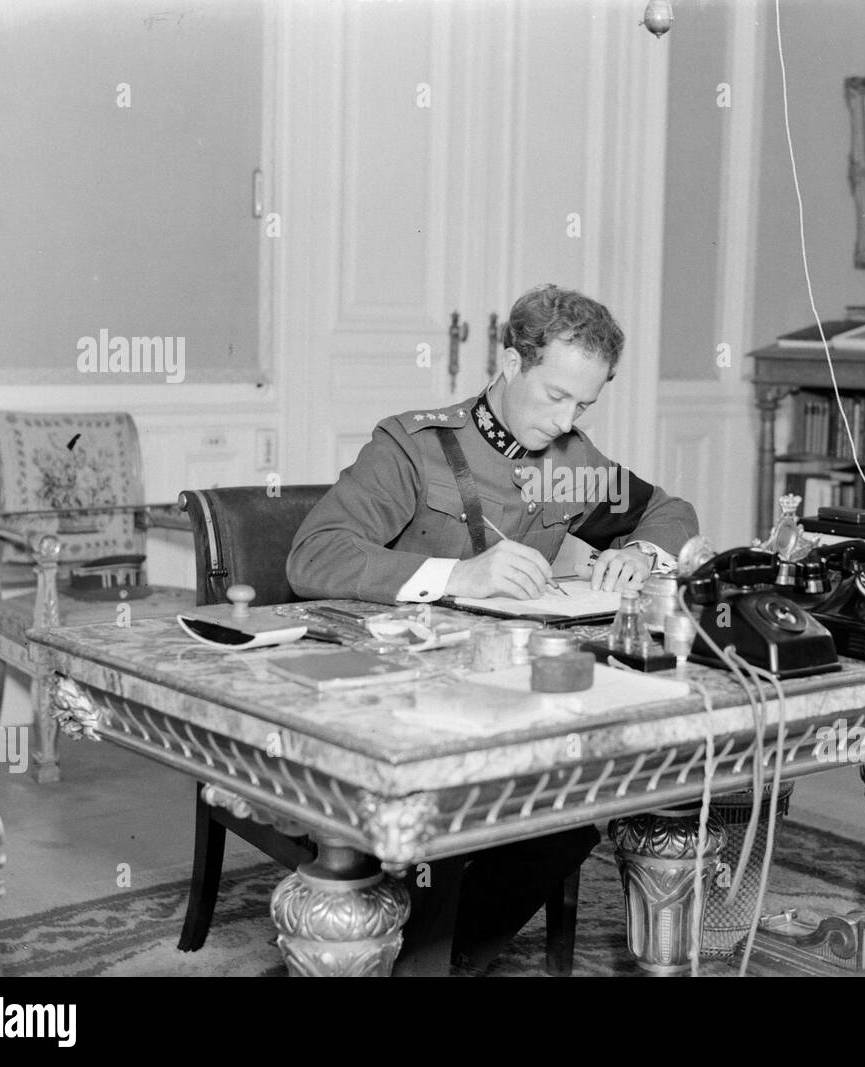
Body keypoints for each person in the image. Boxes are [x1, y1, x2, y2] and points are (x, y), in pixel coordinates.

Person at [288, 284, 699, 973]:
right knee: (453, 815)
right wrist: (458, 576)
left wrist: (638, 553)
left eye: (585, 405)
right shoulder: (414, 447)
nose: (568, 420)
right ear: (510, 361)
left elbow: (670, 510)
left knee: (579, 804)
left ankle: (447, 955)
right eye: (556, 396)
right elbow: (315, 553)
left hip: (514, 694)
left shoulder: (569, 463)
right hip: (405, 699)